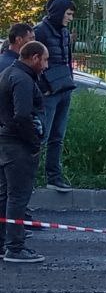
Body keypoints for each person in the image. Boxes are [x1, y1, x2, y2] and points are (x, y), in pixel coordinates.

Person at [0, 41, 49, 263]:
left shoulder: (8, 73)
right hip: (18, 146)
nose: (46, 66)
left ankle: (4, 243)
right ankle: (15, 248)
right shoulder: (22, 79)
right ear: (35, 57)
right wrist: (33, 142)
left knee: (5, 196)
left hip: (4, 142)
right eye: (45, 60)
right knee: (18, 197)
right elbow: (22, 116)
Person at [33, 0, 76, 192]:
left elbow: (67, 59)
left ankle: (53, 177)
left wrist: (70, 79)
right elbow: (33, 62)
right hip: (48, 93)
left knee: (58, 136)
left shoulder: (65, 32)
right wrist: (44, 87)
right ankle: (29, 177)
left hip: (65, 88)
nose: (70, 18)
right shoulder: (39, 31)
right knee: (42, 135)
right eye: (68, 14)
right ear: (58, 13)